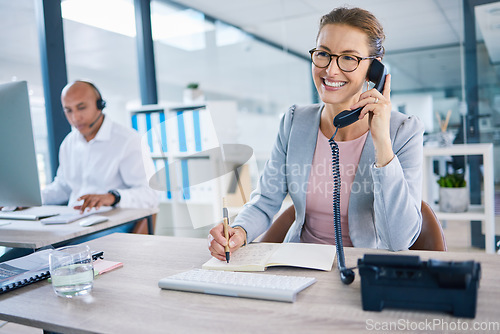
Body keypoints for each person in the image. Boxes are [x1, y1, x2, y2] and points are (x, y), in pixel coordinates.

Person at [208, 6, 424, 261]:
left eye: (348, 58)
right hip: (298, 263)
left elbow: (398, 240)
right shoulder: (294, 121)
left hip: (362, 268)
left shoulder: (403, 130)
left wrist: (382, 144)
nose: (331, 70)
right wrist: (239, 231)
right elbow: (266, 199)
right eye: (324, 54)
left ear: (373, 71)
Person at [42, 80, 158, 232]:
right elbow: (63, 187)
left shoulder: (128, 140)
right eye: (68, 110)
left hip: (112, 223)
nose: (75, 118)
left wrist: (113, 197)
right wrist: (27, 199)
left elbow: (150, 195)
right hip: (73, 223)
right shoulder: (69, 143)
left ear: (100, 105)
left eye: (81, 107)